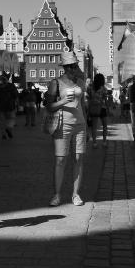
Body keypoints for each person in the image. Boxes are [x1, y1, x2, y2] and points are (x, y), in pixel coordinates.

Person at [46, 51, 86, 207]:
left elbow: (83, 105)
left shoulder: (81, 83)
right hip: (63, 124)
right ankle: (56, 195)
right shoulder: (55, 83)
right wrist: (63, 101)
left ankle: (76, 194)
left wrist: (87, 126)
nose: (73, 69)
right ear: (64, 67)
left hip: (80, 124)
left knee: (78, 159)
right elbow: (49, 107)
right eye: (70, 67)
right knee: (61, 159)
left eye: (75, 66)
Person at [87, 73, 108, 148]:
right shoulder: (104, 88)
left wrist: (88, 111)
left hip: (94, 108)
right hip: (102, 108)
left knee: (94, 127)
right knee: (105, 126)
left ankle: (94, 143)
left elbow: (89, 100)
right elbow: (105, 100)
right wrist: (108, 109)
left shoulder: (90, 88)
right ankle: (104, 142)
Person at [0, 75, 19, 139]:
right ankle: (8, 129)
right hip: (10, 106)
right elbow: (16, 96)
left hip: (1, 106)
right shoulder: (12, 86)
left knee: (2, 121)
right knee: (10, 120)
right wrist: (17, 104)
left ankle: (3, 135)